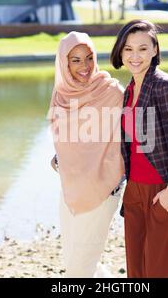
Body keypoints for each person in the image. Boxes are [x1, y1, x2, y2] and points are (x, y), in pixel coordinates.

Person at [110, 19, 168, 278]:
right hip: (135, 192)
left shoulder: (166, 86)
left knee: (160, 268)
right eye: (128, 49)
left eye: (142, 48)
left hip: (164, 189)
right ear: (120, 52)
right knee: (137, 271)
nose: (134, 56)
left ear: (155, 50)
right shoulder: (128, 91)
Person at [48, 31, 125, 277]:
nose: (85, 66)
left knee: (79, 270)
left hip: (103, 190)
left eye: (89, 57)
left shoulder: (111, 91)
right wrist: (61, 156)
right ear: (64, 63)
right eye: (76, 60)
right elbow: (66, 138)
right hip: (70, 190)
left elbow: (136, 138)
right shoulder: (60, 95)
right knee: (75, 262)